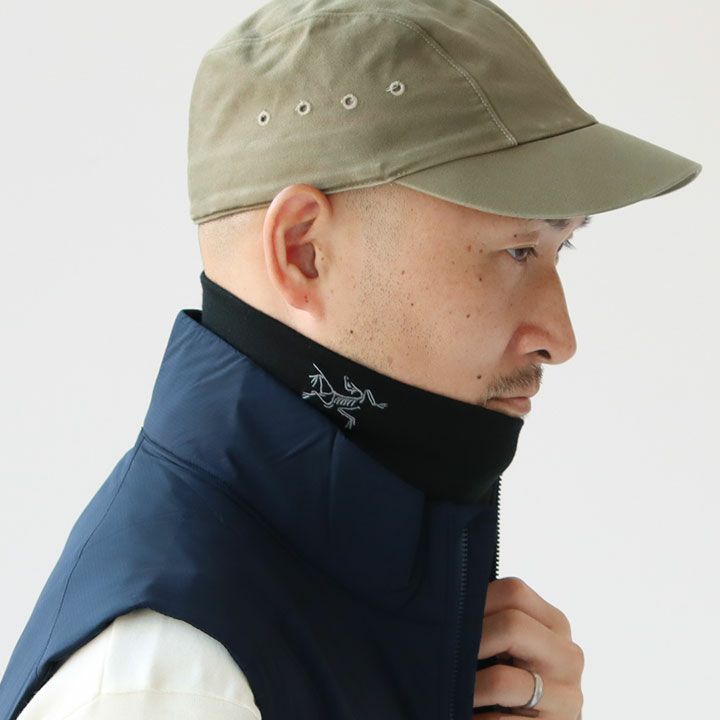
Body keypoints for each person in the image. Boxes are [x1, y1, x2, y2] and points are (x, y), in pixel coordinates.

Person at [0, 1, 702, 719]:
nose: (560, 336)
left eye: (562, 247)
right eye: (517, 249)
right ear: (303, 251)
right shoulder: (174, 680)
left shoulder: (326, 582)